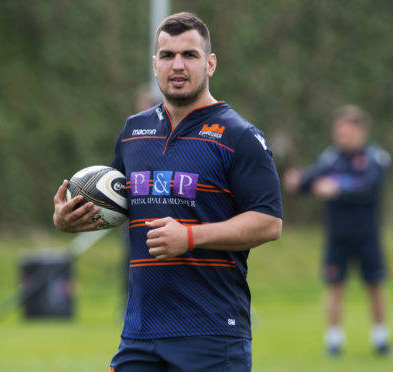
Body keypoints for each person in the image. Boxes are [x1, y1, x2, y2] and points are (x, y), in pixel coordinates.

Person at [53, 12, 283, 371]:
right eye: (167, 55)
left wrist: (189, 236)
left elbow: (268, 223)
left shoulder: (240, 136)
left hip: (211, 333)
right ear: (155, 63)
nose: (177, 65)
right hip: (140, 334)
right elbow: (119, 204)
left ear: (210, 64)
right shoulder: (133, 131)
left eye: (189, 55)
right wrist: (74, 217)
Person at [283, 105, 391, 357]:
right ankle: (334, 342)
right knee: (334, 286)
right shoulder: (331, 158)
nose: (341, 135)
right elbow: (311, 180)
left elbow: (370, 190)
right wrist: (298, 181)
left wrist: (337, 190)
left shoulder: (376, 158)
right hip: (337, 237)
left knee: (375, 285)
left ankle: (381, 340)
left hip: (367, 235)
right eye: (338, 130)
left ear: (361, 130)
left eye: (347, 130)